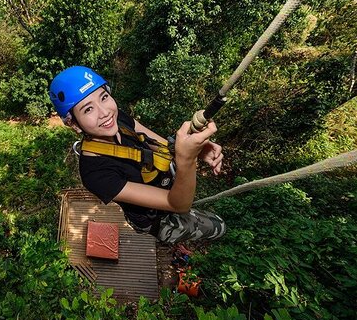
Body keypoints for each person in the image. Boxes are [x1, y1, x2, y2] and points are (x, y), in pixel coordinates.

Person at [49, 65, 226, 244]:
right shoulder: (94, 173)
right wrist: (187, 159)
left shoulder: (118, 119)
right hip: (158, 219)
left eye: (103, 97)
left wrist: (192, 149)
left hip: (169, 187)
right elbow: (178, 204)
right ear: (75, 124)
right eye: (88, 109)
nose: (105, 113)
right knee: (219, 226)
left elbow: (161, 145)